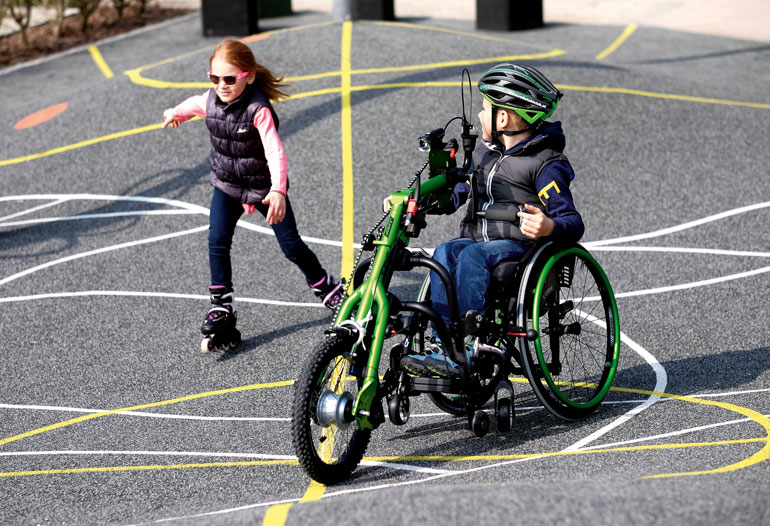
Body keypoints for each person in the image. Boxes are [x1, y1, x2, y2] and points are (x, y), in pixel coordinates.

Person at [402, 63, 584, 378]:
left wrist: (549, 226)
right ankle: (443, 344)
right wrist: (421, 200)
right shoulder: (482, 157)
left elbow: (572, 221)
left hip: (519, 250)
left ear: (503, 118)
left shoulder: (544, 163)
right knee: (445, 251)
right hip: (477, 241)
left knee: (472, 255)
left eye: (485, 108)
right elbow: (455, 196)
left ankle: (470, 346)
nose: (480, 116)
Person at [162, 39, 344, 352]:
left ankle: (327, 288)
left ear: (248, 75)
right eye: (214, 78)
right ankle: (221, 304)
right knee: (217, 240)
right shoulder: (210, 100)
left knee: (291, 246)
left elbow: (275, 152)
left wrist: (278, 191)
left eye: (229, 79)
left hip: (263, 188)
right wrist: (174, 113)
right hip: (227, 185)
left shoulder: (258, 109)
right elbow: (193, 104)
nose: (221, 85)